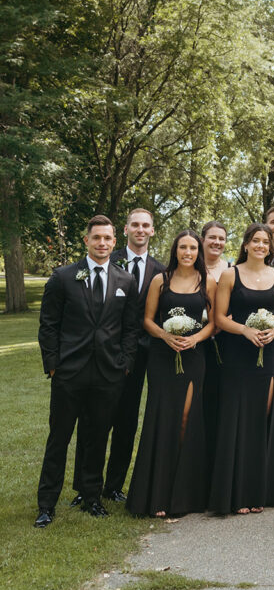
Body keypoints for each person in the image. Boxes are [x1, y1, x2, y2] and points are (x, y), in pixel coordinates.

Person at [35, 215, 139, 527]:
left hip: (108, 373)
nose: (103, 243)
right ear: (87, 241)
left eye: (108, 238)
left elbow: (130, 328)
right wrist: (53, 366)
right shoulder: (63, 277)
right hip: (69, 373)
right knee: (59, 438)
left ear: (114, 242)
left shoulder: (125, 281)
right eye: (97, 238)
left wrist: (125, 363)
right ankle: (46, 504)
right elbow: (48, 325)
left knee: (96, 438)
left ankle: (91, 497)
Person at [126, 231, 216, 517]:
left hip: (193, 357)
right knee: (161, 417)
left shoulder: (207, 282)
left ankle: (185, 494)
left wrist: (195, 339)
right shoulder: (160, 280)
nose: (187, 252)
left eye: (192, 247)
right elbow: (147, 320)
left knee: (188, 418)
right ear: (175, 250)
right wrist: (165, 336)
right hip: (162, 358)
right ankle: (158, 494)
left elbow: (214, 324)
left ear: (198, 251)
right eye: (182, 247)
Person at [209, 223, 274, 514]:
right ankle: (238, 493)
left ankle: (261, 492)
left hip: (269, 354)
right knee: (238, 419)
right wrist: (244, 330)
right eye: (255, 241)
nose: (260, 246)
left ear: (270, 247)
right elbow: (219, 318)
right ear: (246, 245)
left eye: (265, 242)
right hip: (237, 355)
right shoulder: (231, 275)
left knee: (263, 417)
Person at [87, 208, 165, 504]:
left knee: (127, 421)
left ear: (153, 231)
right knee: (96, 419)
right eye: (136, 225)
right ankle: (86, 485)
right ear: (126, 228)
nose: (141, 229)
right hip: (107, 353)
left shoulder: (161, 270)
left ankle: (114, 486)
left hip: (147, 355)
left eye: (146, 225)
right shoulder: (108, 258)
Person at [201, 220, 229, 472]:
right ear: (202, 239)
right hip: (195, 344)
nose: (217, 242)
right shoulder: (189, 266)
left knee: (220, 406)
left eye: (221, 238)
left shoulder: (231, 269)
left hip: (226, 346)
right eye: (212, 237)